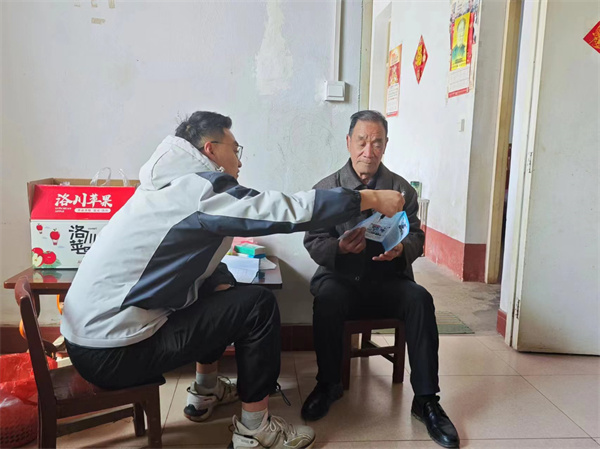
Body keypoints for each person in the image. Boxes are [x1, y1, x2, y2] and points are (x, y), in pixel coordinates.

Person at [59, 111, 404, 449]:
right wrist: (367, 198)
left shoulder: (165, 185)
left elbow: (190, 261)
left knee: (220, 290)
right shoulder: (200, 189)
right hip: (115, 351)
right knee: (258, 306)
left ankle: (205, 391)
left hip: (90, 341)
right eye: (234, 149)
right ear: (210, 150)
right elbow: (280, 210)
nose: (239, 161)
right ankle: (255, 431)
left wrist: (221, 281)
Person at [301, 110, 460, 449]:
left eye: (377, 143)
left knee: (420, 299)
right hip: (341, 278)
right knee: (327, 299)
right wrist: (339, 248)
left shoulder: (401, 189)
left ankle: (426, 400)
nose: (368, 151)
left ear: (386, 145)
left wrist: (401, 249)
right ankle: (328, 384)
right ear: (348, 142)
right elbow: (313, 240)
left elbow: (417, 237)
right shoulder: (326, 189)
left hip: (388, 279)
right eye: (361, 142)